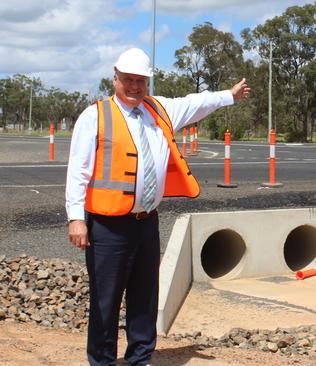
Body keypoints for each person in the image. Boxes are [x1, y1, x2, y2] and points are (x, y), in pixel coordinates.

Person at [66, 47, 250, 366]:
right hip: (107, 226)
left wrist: (229, 96)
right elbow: (77, 170)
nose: (135, 86)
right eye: (129, 80)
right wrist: (75, 218)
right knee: (105, 301)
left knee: (144, 296)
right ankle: (102, 360)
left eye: (141, 81)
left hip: (146, 222)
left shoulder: (159, 110)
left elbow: (195, 103)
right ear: (115, 79)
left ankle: (140, 357)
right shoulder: (95, 116)